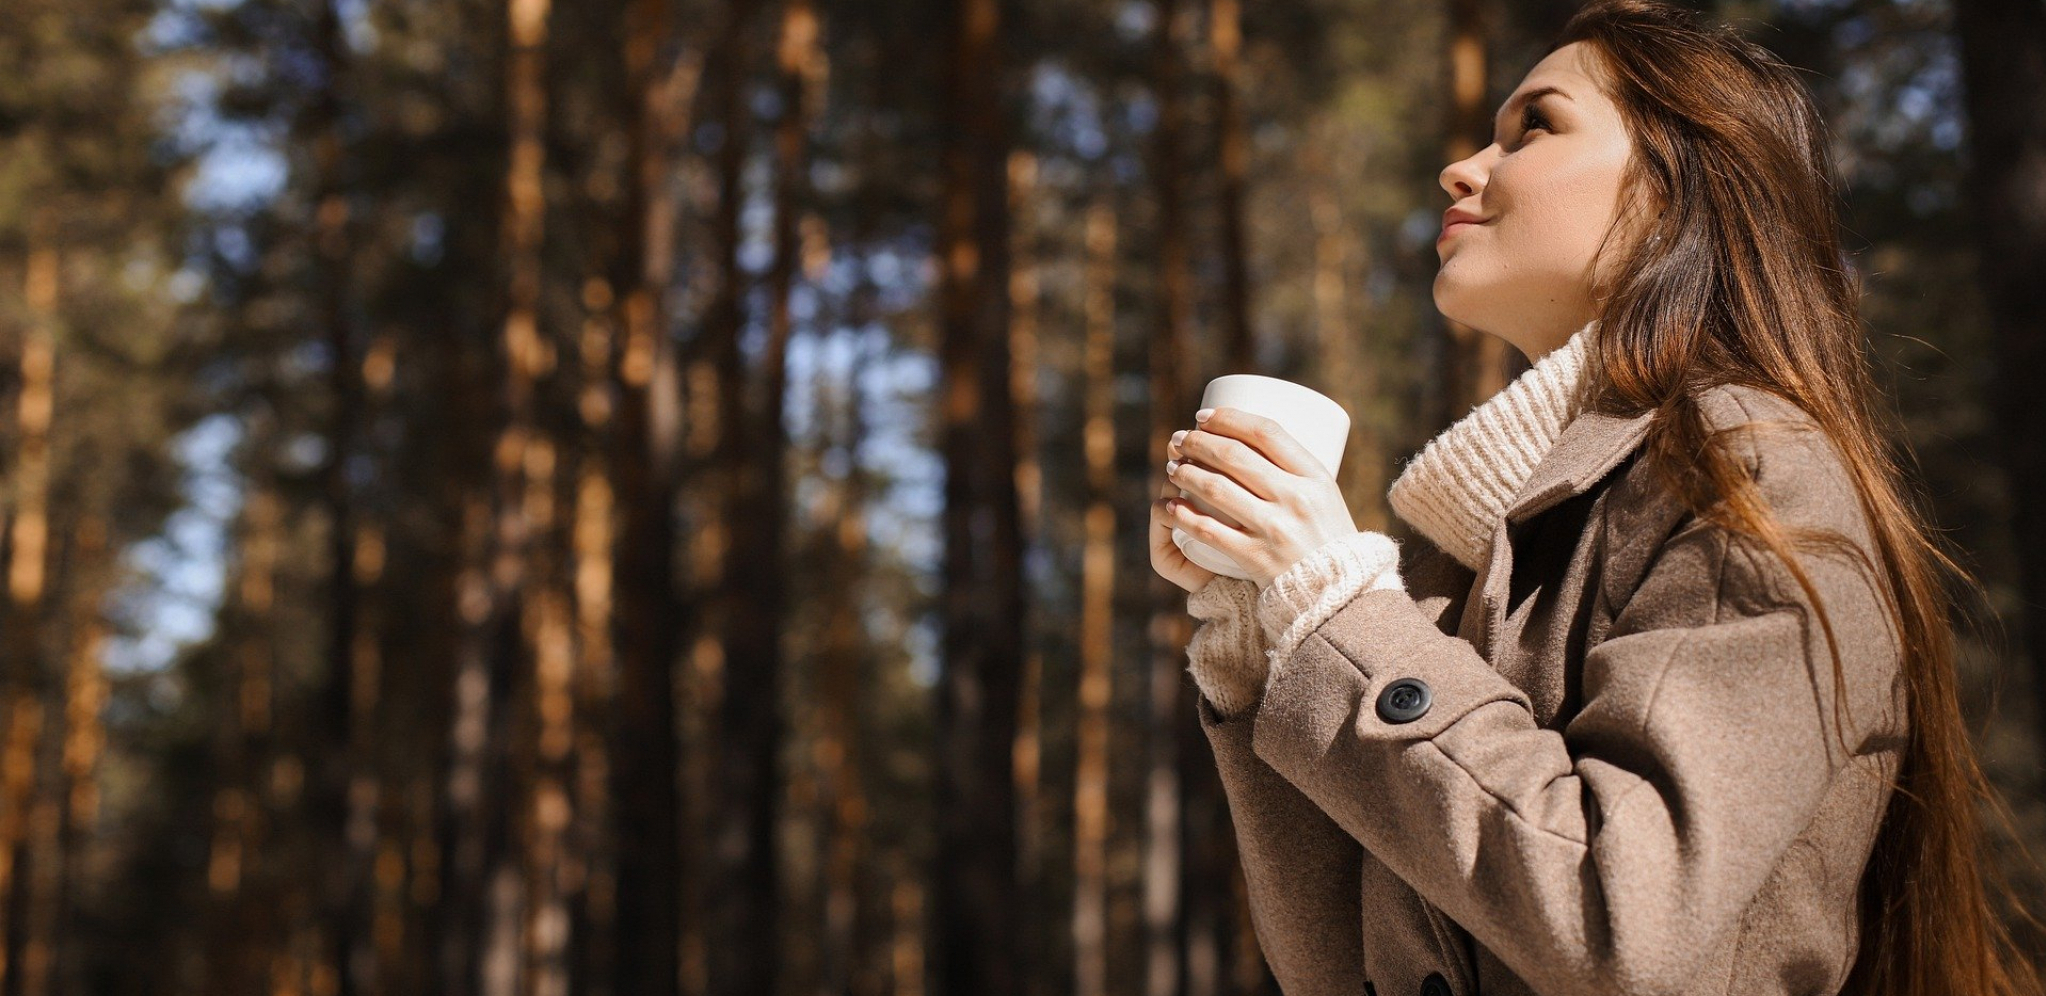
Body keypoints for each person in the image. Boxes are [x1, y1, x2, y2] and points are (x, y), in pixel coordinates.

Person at [1146, 1, 2046, 994]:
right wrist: (1258, 630)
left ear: (1675, 192)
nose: (1463, 168)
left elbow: (1622, 925)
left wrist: (1336, 610)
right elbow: (1336, 971)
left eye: (1535, 128)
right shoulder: (1498, 557)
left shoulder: (1748, 473)